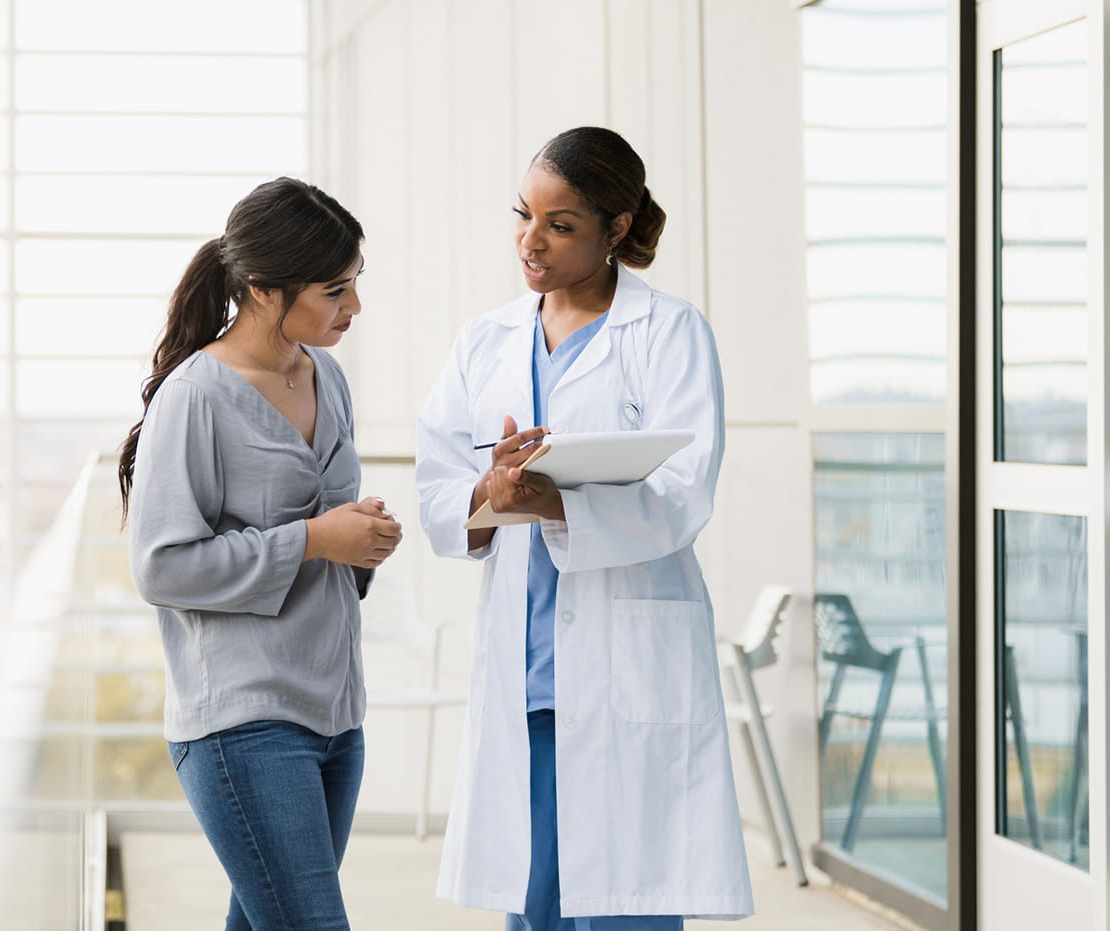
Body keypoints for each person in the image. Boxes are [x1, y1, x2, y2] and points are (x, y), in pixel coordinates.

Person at [415, 127, 753, 928]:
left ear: (617, 228)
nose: (531, 241)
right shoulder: (485, 341)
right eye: (523, 215)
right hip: (527, 672)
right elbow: (438, 486)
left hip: (625, 663)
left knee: (625, 902)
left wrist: (554, 503)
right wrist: (493, 491)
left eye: (560, 225)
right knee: (534, 902)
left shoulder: (669, 332)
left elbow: (683, 491)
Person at [120, 177, 401, 931]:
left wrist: (362, 542)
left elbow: (330, 529)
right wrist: (314, 539)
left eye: (355, 282)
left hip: (336, 710)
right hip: (243, 717)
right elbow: (161, 566)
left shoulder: (325, 375)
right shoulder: (196, 396)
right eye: (334, 290)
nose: (353, 305)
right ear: (263, 289)